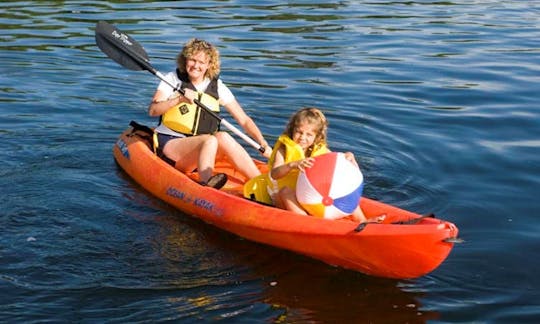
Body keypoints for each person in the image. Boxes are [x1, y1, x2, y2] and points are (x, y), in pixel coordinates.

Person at [148, 38, 271, 189]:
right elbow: (153, 110)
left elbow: (244, 120)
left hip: (204, 148)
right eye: (192, 60)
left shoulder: (217, 87)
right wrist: (179, 99)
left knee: (223, 136)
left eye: (201, 62)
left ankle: (263, 184)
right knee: (210, 140)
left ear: (209, 65)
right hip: (173, 144)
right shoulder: (172, 79)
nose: (196, 66)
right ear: (185, 60)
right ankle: (207, 184)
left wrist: (262, 142)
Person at [245, 107, 384, 223]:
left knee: (342, 190)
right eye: (299, 132)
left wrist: (348, 157)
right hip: (281, 197)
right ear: (292, 130)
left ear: (317, 137)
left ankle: (362, 221)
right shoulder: (284, 148)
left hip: (308, 195)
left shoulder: (319, 150)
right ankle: (308, 223)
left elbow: (335, 163)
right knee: (286, 192)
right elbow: (274, 173)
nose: (303, 138)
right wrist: (292, 165)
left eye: (309, 134)